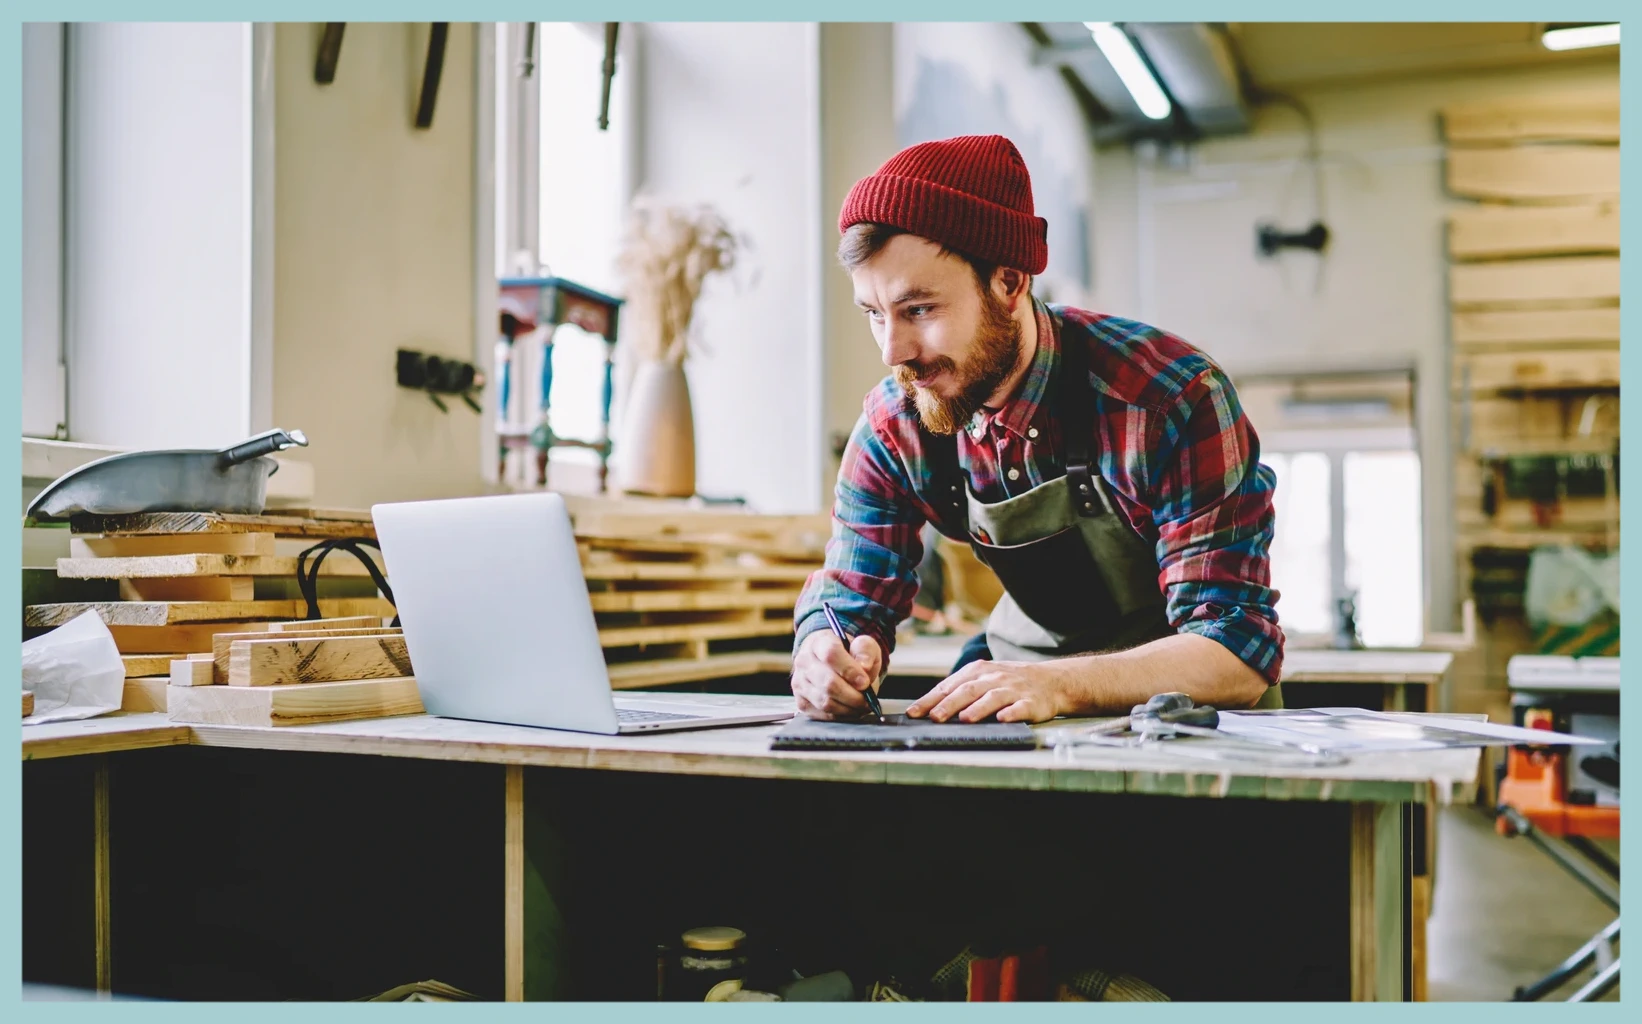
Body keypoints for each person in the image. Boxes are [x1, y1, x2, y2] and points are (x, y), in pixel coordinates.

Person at [790, 134, 1283, 723]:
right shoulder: (897, 425)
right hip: (1018, 694)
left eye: (919, 309)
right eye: (875, 314)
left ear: (1009, 281)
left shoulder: (1167, 400)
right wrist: (827, 653)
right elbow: (850, 600)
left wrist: (1061, 685)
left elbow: (1235, 651)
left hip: (1190, 720)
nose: (893, 351)